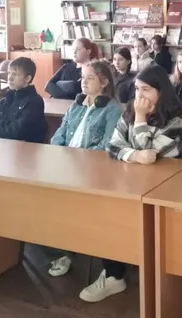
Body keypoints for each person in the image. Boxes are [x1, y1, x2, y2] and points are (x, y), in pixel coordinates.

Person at [82, 65, 182, 303]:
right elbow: (113, 145)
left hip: (168, 186)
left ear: (161, 91)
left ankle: (158, 274)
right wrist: (135, 155)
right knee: (109, 210)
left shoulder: (176, 116)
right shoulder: (131, 109)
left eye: (146, 90)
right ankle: (113, 276)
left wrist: (140, 121)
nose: (139, 95)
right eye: (137, 89)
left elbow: (152, 154)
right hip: (132, 180)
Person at [48, 61, 123, 278]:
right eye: (83, 77)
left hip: (91, 172)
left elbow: (107, 146)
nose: (84, 82)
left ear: (104, 82)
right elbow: (58, 135)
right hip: (66, 167)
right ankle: (57, 247)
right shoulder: (76, 105)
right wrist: (60, 155)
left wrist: (77, 160)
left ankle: (67, 250)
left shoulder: (112, 109)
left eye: (90, 78)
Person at [0, 57, 47, 144]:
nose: (10, 78)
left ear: (27, 79)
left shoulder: (34, 102)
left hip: (24, 149)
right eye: (9, 73)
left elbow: (16, 132)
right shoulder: (3, 101)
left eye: (15, 74)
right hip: (0, 147)